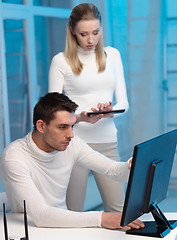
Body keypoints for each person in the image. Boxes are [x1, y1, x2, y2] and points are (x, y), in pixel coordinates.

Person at [0, 92, 144, 230]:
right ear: (41, 126)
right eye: (62, 127)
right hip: (30, 229)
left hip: (64, 226)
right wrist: (101, 218)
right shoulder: (14, 157)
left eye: (72, 126)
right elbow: (41, 215)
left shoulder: (72, 145)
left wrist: (131, 166)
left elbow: (114, 171)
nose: (70, 135)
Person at [48, 3, 129, 213]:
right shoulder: (61, 61)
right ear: (73, 31)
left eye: (96, 32)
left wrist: (111, 111)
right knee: (72, 211)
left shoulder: (112, 55)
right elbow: (51, 112)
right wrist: (80, 118)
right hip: (74, 145)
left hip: (108, 142)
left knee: (119, 211)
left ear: (101, 28)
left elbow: (124, 103)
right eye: (84, 34)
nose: (91, 40)